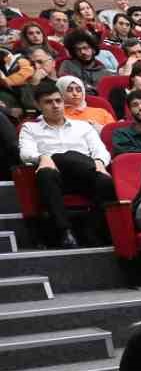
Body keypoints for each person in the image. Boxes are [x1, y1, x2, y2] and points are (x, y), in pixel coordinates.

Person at [17, 80, 114, 248]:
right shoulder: (30, 128)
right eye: (48, 102)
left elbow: (101, 150)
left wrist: (99, 162)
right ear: (38, 106)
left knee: (105, 181)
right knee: (48, 170)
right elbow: (25, 153)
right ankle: (65, 232)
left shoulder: (82, 126)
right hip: (56, 178)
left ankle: (91, 229)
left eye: (58, 101)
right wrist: (43, 157)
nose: (55, 106)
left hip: (84, 174)